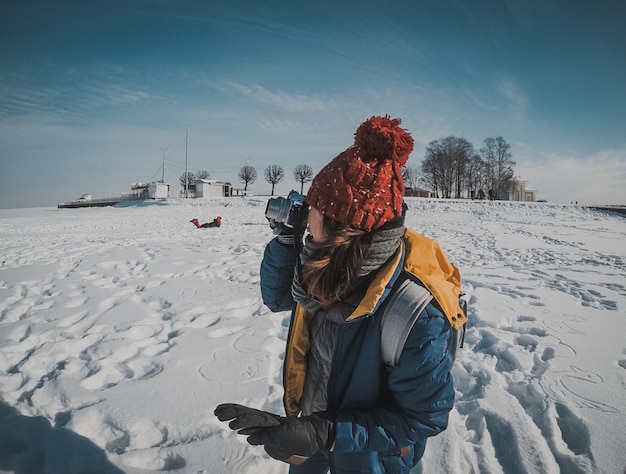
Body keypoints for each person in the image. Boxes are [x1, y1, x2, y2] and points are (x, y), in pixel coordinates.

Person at [215, 116, 465, 473]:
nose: (307, 214)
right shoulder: (324, 266)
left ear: (341, 228)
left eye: (317, 208)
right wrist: (288, 242)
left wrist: (326, 433)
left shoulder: (415, 312)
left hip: (371, 453)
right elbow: (277, 297)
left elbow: (424, 417)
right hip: (311, 427)